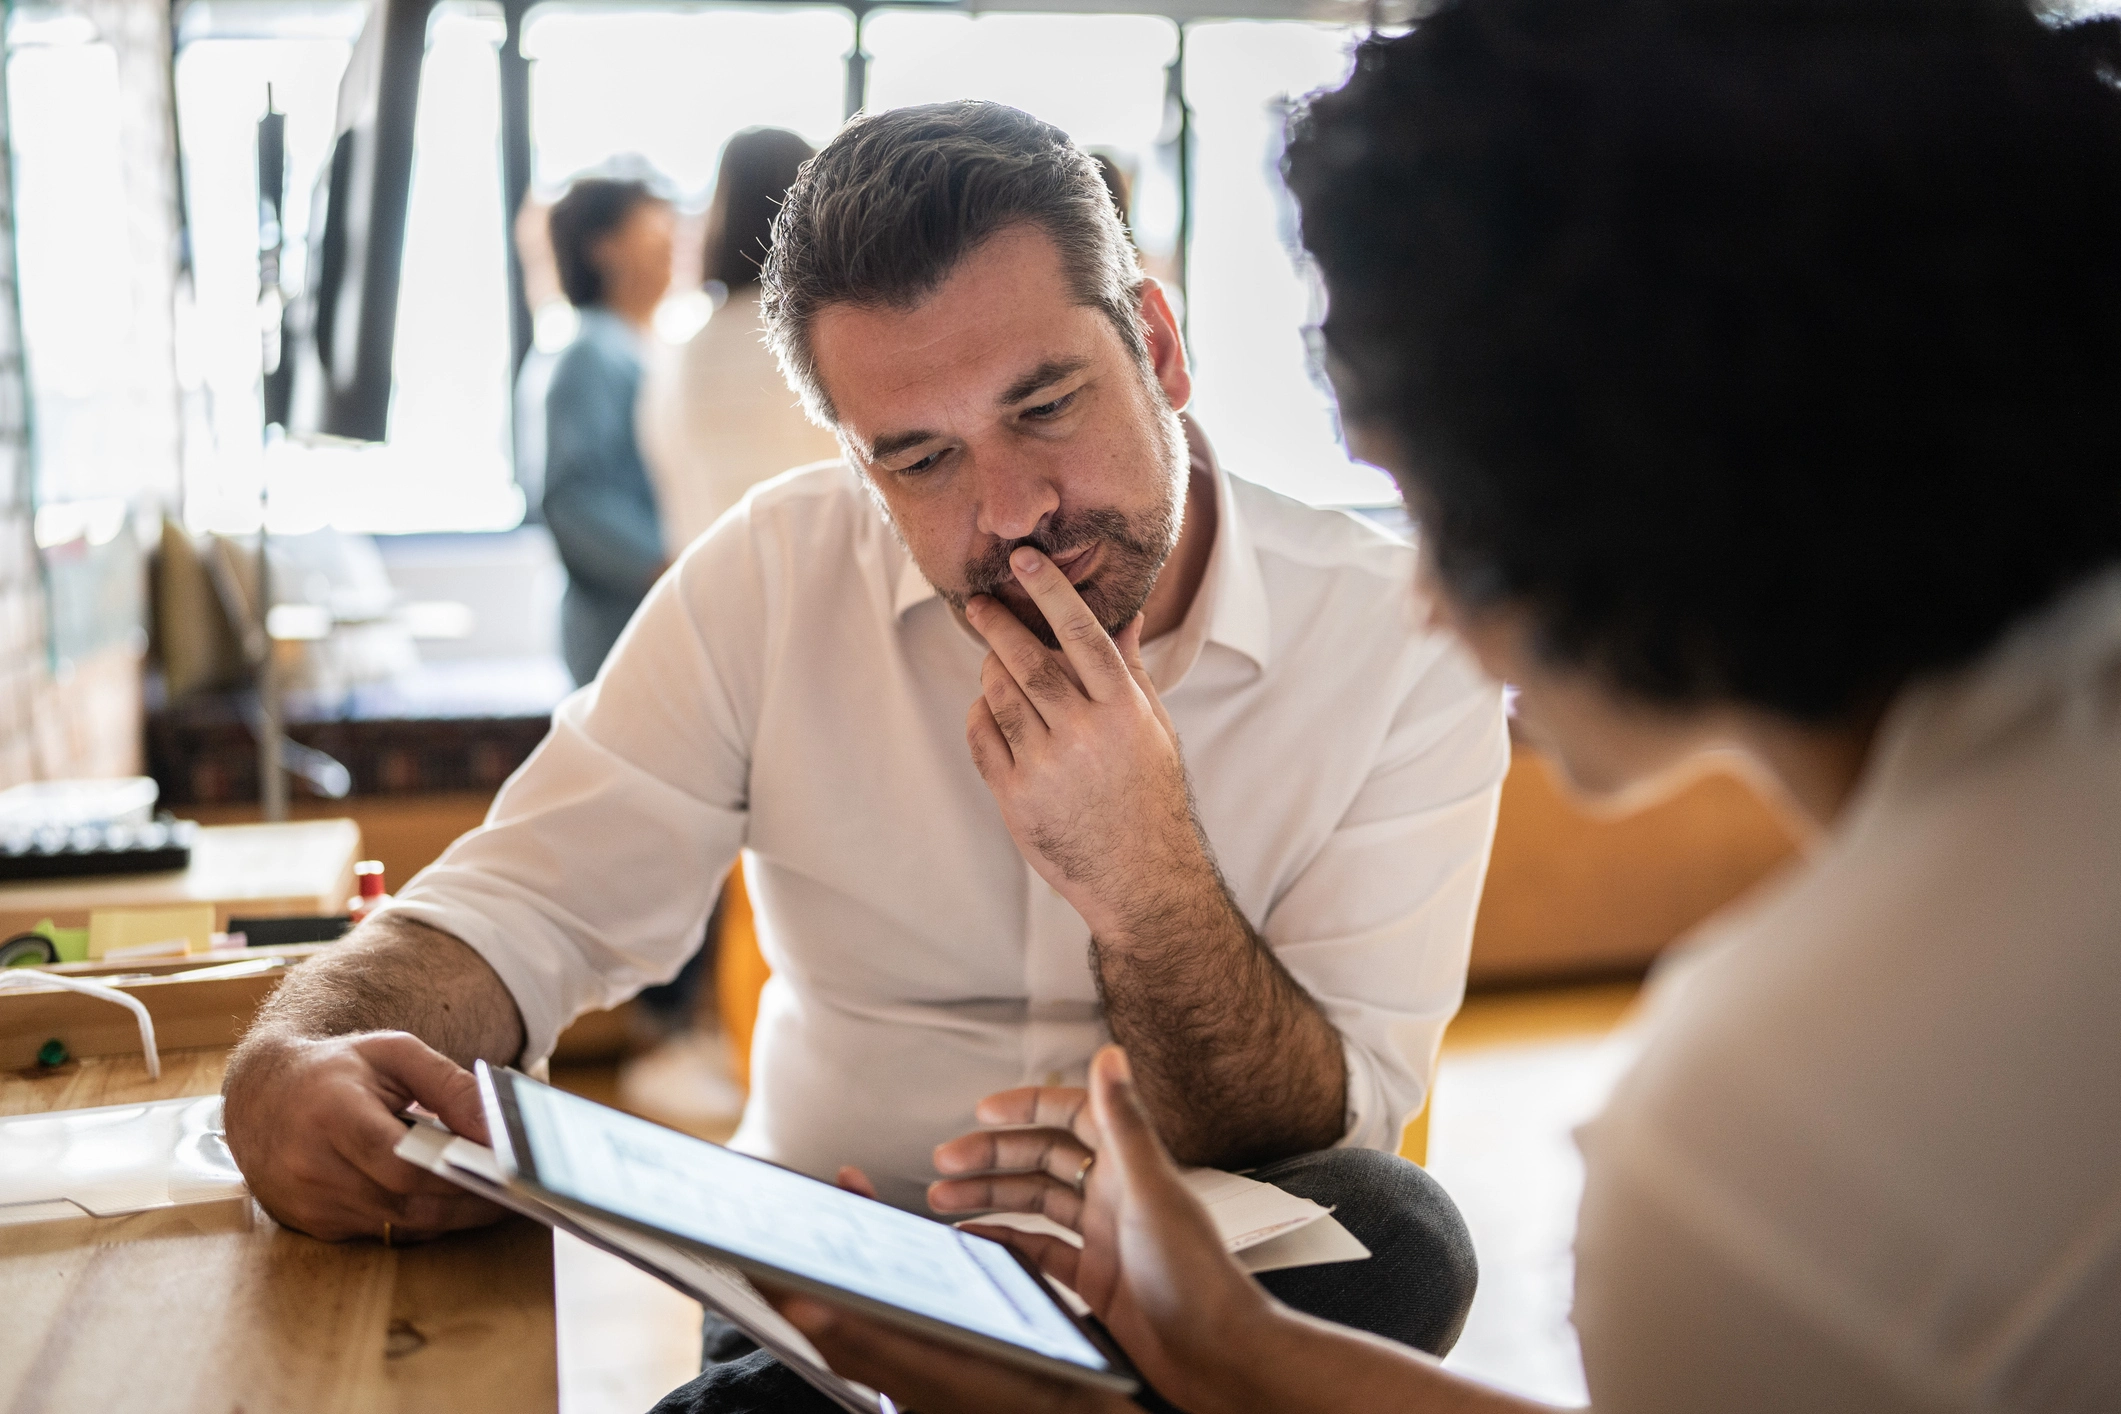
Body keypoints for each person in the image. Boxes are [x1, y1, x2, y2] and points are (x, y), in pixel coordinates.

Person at [764, 2, 2121, 1410]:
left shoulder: (1762, 1147)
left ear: (1627, 466)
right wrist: (1235, 1352)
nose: (1428, 600)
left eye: (1436, 502)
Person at [220, 101, 1510, 1407]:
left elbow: (1323, 1128)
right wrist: (295, 1053)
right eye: (920, 457)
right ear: (855, 458)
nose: (1009, 514)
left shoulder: (1400, 638)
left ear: (1159, 346)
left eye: (1046, 404)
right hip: (846, 1264)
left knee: (1399, 1236)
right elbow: (515, 906)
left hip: (1185, 1270)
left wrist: (1146, 875)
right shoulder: (775, 575)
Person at [638, 128, 840, 555]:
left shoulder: (679, 352)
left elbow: (672, 491)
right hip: (821, 580)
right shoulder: (819, 337)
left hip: (708, 589)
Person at [541, 176, 676, 686]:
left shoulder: (646, 347)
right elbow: (574, 500)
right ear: (603, 248)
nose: (670, 238)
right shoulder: (590, 354)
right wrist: (668, 564)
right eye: (652, 225)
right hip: (618, 627)